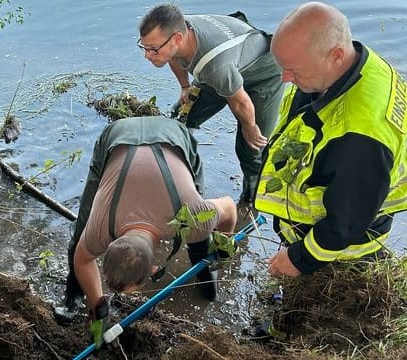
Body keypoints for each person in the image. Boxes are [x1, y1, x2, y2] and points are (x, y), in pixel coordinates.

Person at [255, 2, 407, 277]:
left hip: (343, 256)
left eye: (294, 71)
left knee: (322, 311)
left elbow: (345, 224)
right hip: (337, 219)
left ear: (335, 55)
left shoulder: (361, 138)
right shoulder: (356, 63)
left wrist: (300, 259)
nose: (284, 79)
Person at [59, 116, 237, 336]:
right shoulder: (100, 225)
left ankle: (206, 279)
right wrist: (98, 307)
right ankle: (72, 299)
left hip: (174, 137)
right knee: (80, 233)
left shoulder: (192, 216)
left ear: (154, 269)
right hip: (117, 138)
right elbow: (82, 258)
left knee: (200, 236)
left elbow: (229, 208)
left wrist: (223, 246)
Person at [137, 4, 284, 203]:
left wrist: (249, 126)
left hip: (262, 74)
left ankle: (252, 201)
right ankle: (175, 177)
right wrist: (185, 87)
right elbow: (173, 57)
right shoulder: (175, 31)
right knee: (182, 116)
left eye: (153, 49)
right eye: (145, 47)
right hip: (228, 67)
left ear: (177, 39)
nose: (147, 55)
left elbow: (240, 101)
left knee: (251, 146)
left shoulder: (215, 66)